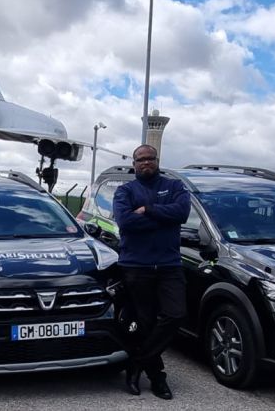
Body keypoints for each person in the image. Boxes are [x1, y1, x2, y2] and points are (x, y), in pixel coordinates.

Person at [112, 144, 191, 399]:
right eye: (140, 159)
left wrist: (148, 210)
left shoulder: (174, 186)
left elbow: (182, 213)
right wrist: (163, 217)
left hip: (169, 265)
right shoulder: (125, 190)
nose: (146, 162)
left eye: (150, 158)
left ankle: (136, 361)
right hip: (136, 266)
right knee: (145, 323)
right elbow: (125, 221)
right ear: (133, 164)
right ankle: (157, 378)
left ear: (157, 161)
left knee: (175, 315)